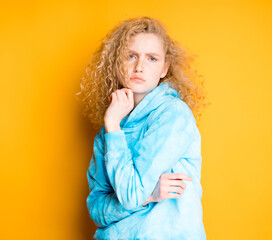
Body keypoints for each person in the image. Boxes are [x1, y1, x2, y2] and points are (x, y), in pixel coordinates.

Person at [76, 17, 208, 239]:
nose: (139, 67)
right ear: (117, 63)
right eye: (131, 56)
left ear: (164, 68)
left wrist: (137, 196)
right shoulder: (111, 126)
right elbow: (97, 210)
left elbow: (130, 195)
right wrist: (149, 196)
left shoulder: (173, 115)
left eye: (152, 58)